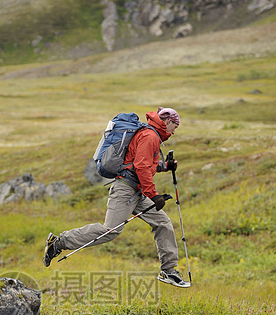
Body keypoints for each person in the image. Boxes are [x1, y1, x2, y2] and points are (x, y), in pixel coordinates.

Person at [43, 107, 190, 288]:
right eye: (175, 126)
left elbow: (143, 164)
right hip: (125, 190)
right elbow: (141, 167)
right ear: (167, 121)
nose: (175, 131)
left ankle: (168, 271)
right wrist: (154, 195)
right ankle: (58, 243)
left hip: (136, 191)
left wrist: (165, 166)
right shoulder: (150, 136)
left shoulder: (152, 135)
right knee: (110, 230)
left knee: (163, 223)